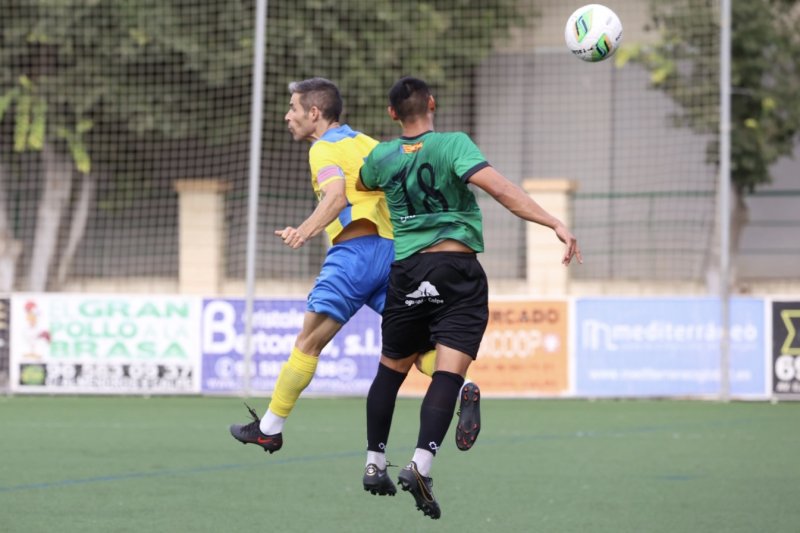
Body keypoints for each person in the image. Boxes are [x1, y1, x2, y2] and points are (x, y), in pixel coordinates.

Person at [357, 76, 582, 519]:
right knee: (448, 373)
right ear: (433, 104)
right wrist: (553, 221)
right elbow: (500, 190)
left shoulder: (381, 157)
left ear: (392, 115)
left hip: (406, 274)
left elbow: (362, 182)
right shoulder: (454, 144)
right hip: (455, 270)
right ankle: (420, 463)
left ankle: (374, 462)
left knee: (391, 370)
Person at [228, 78, 482, 461]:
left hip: (355, 254)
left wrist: (305, 230)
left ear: (314, 113)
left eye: (293, 108)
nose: (287, 116)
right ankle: (460, 386)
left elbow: (336, 195)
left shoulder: (322, 150)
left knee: (308, 341)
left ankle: (269, 429)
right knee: (409, 350)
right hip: (397, 255)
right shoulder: (368, 143)